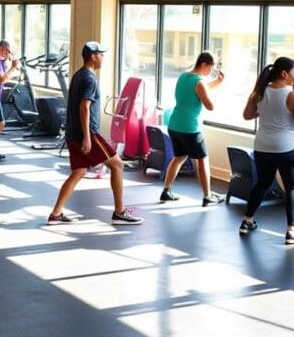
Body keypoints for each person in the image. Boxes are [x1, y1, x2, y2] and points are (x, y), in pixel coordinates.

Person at [46, 41, 143, 226]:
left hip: (74, 133)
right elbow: (84, 107)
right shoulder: (89, 79)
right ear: (93, 56)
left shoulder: (79, 74)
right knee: (117, 165)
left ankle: (56, 214)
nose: (103, 58)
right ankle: (119, 212)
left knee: (79, 172)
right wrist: (88, 138)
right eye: (101, 54)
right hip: (86, 133)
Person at [239, 57, 294, 245]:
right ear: (284, 74)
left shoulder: (259, 93)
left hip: (263, 147)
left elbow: (247, 115)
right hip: (288, 149)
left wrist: (267, 111)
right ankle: (292, 232)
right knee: (293, 188)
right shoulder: (293, 96)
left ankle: (247, 221)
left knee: (262, 184)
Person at [159, 51, 226, 206]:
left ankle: (166, 190)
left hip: (175, 125)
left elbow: (200, 89)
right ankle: (207, 195)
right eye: (210, 68)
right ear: (203, 65)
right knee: (203, 160)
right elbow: (210, 105)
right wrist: (213, 99)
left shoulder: (184, 76)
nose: (211, 72)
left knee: (179, 157)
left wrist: (217, 82)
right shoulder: (199, 82)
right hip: (190, 128)